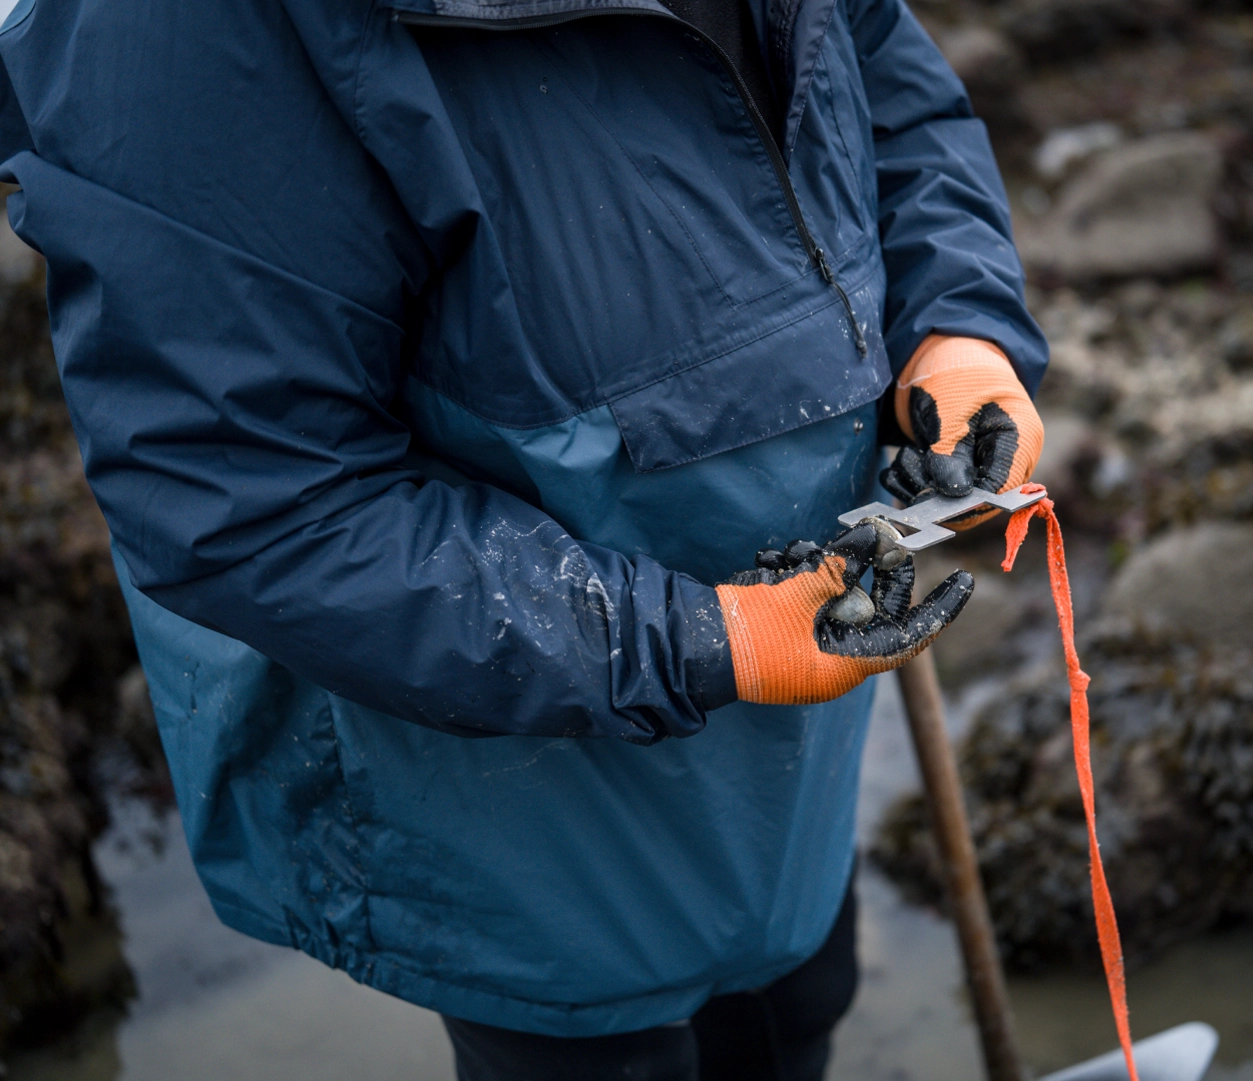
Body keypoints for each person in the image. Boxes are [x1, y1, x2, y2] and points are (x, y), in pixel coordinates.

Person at [0, 0, 1046, 1074]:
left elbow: (867, 62)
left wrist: (956, 321)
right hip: (500, 758)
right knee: (590, 1040)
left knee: (795, 997)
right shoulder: (168, 30)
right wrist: (697, 642)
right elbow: (251, 494)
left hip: (786, 723)